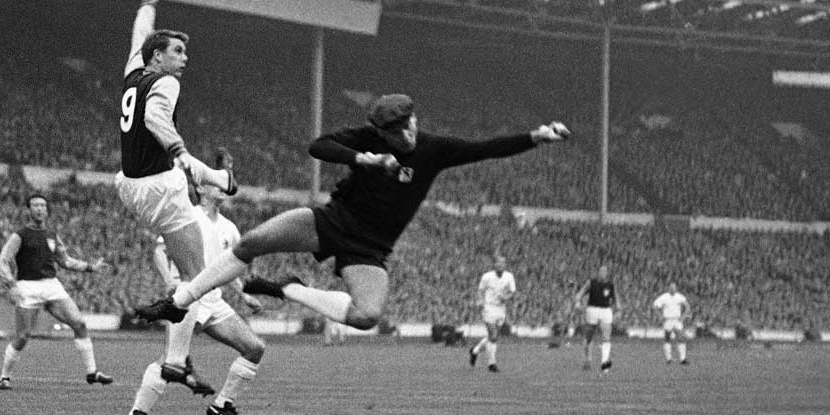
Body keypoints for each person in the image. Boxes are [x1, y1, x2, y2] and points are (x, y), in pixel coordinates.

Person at [134, 93, 569, 332]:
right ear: (380, 131)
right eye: (397, 129)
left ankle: (288, 289)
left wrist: (537, 136)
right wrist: (366, 158)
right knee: (251, 243)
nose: (408, 133)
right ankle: (179, 301)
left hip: (371, 246)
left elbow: (488, 149)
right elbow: (317, 146)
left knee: (367, 317)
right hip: (332, 220)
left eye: (411, 123)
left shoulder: (435, 149)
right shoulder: (368, 138)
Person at [115, 0, 237, 388]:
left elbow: (139, 36)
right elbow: (154, 118)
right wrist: (180, 151)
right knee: (197, 279)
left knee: (192, 278)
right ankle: (176, 361)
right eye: (178, 52)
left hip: (130, 185)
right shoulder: (167, 82)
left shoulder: (135, 70)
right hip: (159, 187)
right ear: (159, 58)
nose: (184, 59)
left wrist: (147, 1)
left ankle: (218, 177)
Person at [123, 168, 267, 415]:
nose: (221, 188)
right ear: (200, 188)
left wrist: (242, 294)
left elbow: (227, 266)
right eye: (214, 183)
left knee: (254, 348)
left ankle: (222, 405)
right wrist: (169, 280)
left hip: (214, 300)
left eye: (224, 184)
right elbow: (159, 250)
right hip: (187, 298)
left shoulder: (230, 229)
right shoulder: (187, 217)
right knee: (171, 360)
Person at [0, 194, 113, 390]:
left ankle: (92, 373)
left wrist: (90, 267)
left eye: (42, 205)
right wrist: (11, 285)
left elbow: (65, 261)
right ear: (28, 210)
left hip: (51, 286)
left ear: (47, 210)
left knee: (80, 324)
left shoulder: (51, 234)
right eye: (35, 205)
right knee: (23, 337)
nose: (39, 209)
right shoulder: (20, 235)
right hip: (28, 287)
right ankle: (4, 377)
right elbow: (3, 261)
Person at [468, 254, 516, 373]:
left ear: (505, 265)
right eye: (498, 263)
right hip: (489, 307)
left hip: (501, 309)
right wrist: (480, 301)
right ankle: (492, 364)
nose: (500, 265)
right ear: (494, 264)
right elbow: (480, 290)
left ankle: (475, 351)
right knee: (493, 335)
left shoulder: (509, 276)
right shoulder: (487, 277)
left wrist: (506, 297)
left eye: (503, 263)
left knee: (492, 337)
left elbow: (512, 291)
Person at [574, 265, 616, 372]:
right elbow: (580, 293)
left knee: (607, 336)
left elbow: (615, 298)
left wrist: (618, 309)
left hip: (606, 310)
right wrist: (578, 301)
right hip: (592, 310)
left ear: (607, 273)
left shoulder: (610, 285)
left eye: (604, 271)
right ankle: (587, 360)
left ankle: (605, 363)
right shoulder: (591, 283)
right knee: (588, 336)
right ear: (598, 272)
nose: (602, 273)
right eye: (601, 271)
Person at [652, 281, 690, 365]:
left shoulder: (680, 297)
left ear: (676, 288)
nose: (673, 289)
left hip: (677, 320)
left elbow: (687, 307)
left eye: (674, 287)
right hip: (668, 320)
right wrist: (660, 316)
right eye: (671, 287)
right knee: (667, 338)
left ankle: (683, 359)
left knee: (681, 337)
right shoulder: (664, 297)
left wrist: (683, 317)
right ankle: (668, 359)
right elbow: (654, 306)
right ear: (669, 288)